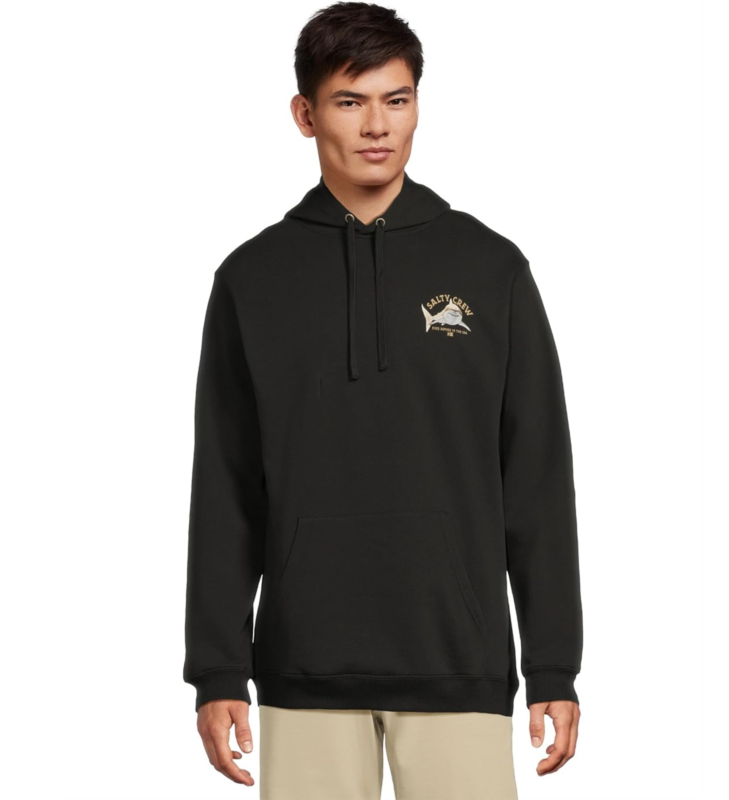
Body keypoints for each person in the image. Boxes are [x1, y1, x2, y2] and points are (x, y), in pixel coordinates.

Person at [182, 3, 583, 798]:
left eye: (396, 100)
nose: (377, 125)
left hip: (459, 662)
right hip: (301, 668)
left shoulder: (490, 268)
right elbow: (225, 486)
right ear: (305, 115)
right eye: (349, 101)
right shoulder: (252, 280)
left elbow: (537, 479)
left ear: (417, 107)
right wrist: (218, 667)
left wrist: (553, 665)